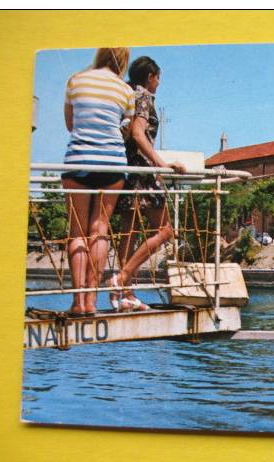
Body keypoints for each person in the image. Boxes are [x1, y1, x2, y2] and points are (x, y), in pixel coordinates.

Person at [110, 56, 186, 312]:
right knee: (165, 230)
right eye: (158, 78)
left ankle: (124, 293)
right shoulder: (143, 97)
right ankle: (121, 278)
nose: (159, 83)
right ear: (151, 76)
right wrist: (161, 165)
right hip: (143, 170)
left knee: (128, 232)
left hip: (125, 169)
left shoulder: (126, 94)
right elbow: (138, 133)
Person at [61, 47, 134, 316]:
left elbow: (70, 124)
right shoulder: (126, 90)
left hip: (79, 158)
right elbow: (124, 130)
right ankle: (92, 301)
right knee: (99, 228)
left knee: (77, 231)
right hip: (112, 162)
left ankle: (78, 301)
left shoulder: (76, 80)